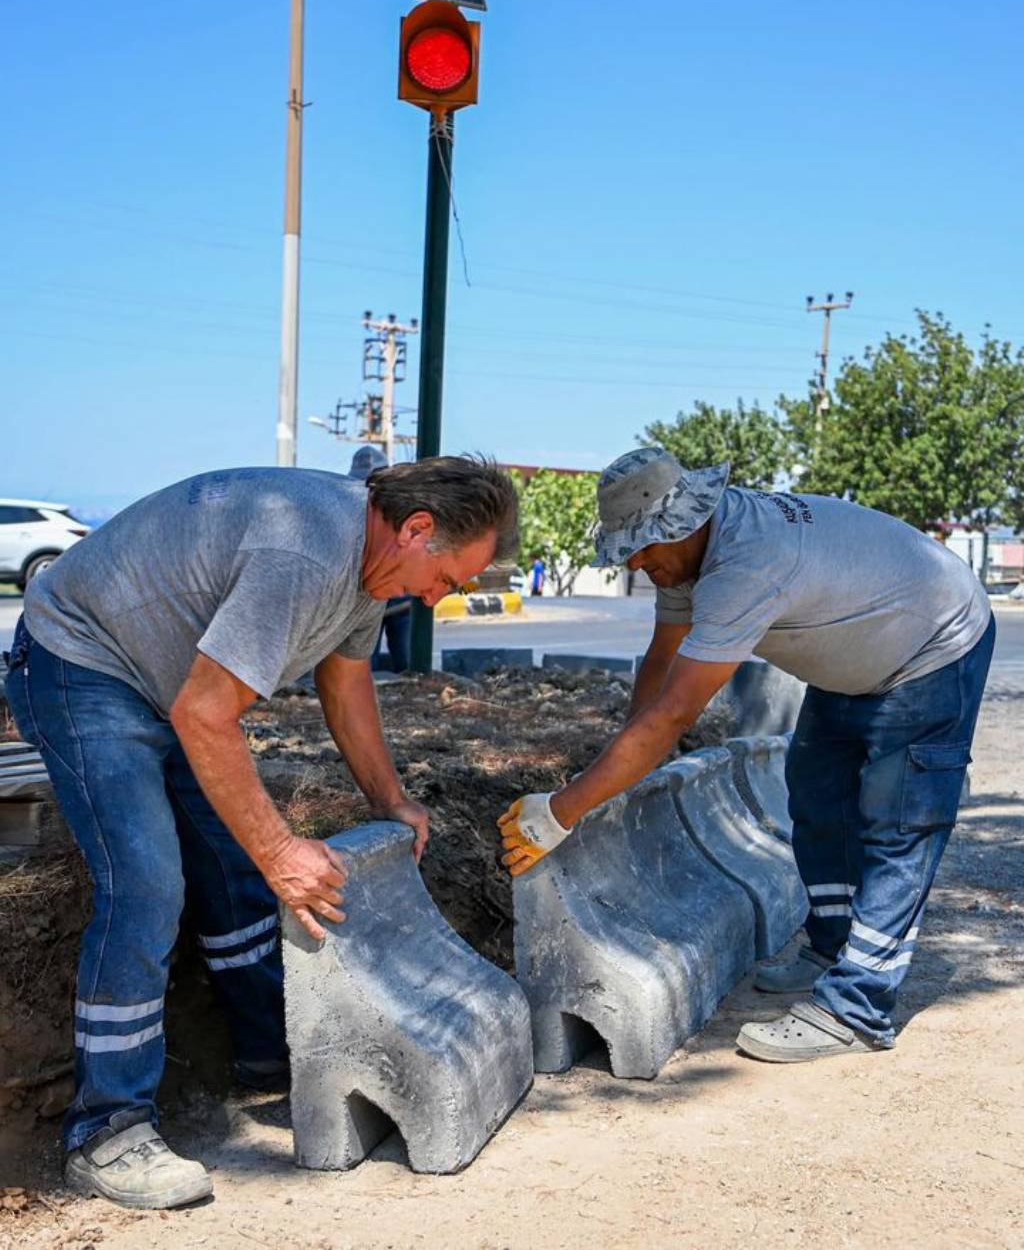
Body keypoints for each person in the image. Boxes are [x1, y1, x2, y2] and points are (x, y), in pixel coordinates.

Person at [4, 455, 518, 1210]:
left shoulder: (375, 566)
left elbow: (345, 681)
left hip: (172, 678)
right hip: (84, 662)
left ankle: (266, 1055)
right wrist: (281, 850)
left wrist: (392, 800)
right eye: (448, 579)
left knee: (232, 866)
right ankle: (106, 1128)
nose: (441, 599)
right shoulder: (305, 550)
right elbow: (207, 715)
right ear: (416, 528)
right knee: (148, 883)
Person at [498, 447, 993, 1065]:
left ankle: (857, 1005)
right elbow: (662, 662)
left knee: (897, 825)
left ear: (685, 524)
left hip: (933, 644)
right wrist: (616, 774)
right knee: (816, 794)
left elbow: (678, 712)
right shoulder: (685, 561)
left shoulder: (745, 565)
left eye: (646, 546)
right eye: (630, 548)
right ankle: (833, 946)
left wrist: (560, 812)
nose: (638, 560)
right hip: (857, 661)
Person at [348, 446, 413, 673]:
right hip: (367, 602)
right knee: (362, 665)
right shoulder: (350, 516)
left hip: (400, 602)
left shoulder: (403, 513)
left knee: (407, 661)